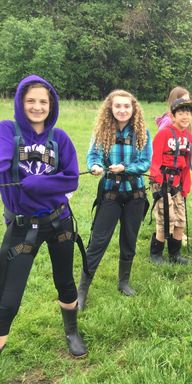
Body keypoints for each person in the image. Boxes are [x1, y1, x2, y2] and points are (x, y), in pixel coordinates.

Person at [0, 75, 86, 357]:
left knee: (65, 281)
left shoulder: (59, 138)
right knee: (7, 298)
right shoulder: (7, 131)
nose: (37, 107)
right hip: (23, 226)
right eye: (30, 101)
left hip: (58, 221)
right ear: (20, 103)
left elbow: (71, 178)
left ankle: (72, 331)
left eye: (43, 101)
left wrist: (40, 184)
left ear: (52, 105)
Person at [77, 90, 151, 310]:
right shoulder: (102, 132)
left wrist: (126, 168)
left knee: (129, 239)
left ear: (133, 108)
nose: (122, 110)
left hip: (135, 195)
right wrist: (95, 166)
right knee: (98, 241)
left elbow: (145, 162)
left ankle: (123, 281)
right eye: (117, 106)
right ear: (110, 108)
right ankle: (82, 289)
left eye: (126, 106)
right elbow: (94, 155)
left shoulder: (142, 133)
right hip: (110, 194)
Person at [149, 97, 192, 264]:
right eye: (181, 112)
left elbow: (186, 164)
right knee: (166, 218)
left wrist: (185, 186)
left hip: (177, 184)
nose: (185, 116)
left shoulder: (188, 136)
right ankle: (156, 254)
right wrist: (158, 183)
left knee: (180, 219)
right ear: (173, 116)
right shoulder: (164, 133)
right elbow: (154, 161)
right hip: (161, 183)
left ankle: (175, 255)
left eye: (188, 113)